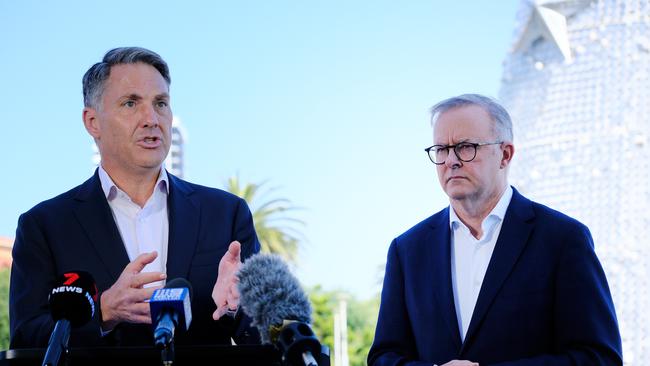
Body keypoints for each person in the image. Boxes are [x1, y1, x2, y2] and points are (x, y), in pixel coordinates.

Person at [9, 47, 261, 348]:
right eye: (130, 103)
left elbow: (264, 336)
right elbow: (25, 338)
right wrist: (102, 314)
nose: (151, 119)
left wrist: (236, 307)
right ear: (92, 122)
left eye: (161, 103)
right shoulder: (45, 226)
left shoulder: (226, 214)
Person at [367, 94, 622, 365]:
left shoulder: (562, 239)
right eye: (441, 149)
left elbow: (598, 358)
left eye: (466, 147)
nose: (451, 160)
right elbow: (384, 357)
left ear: (505, 154)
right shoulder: (407, 250)